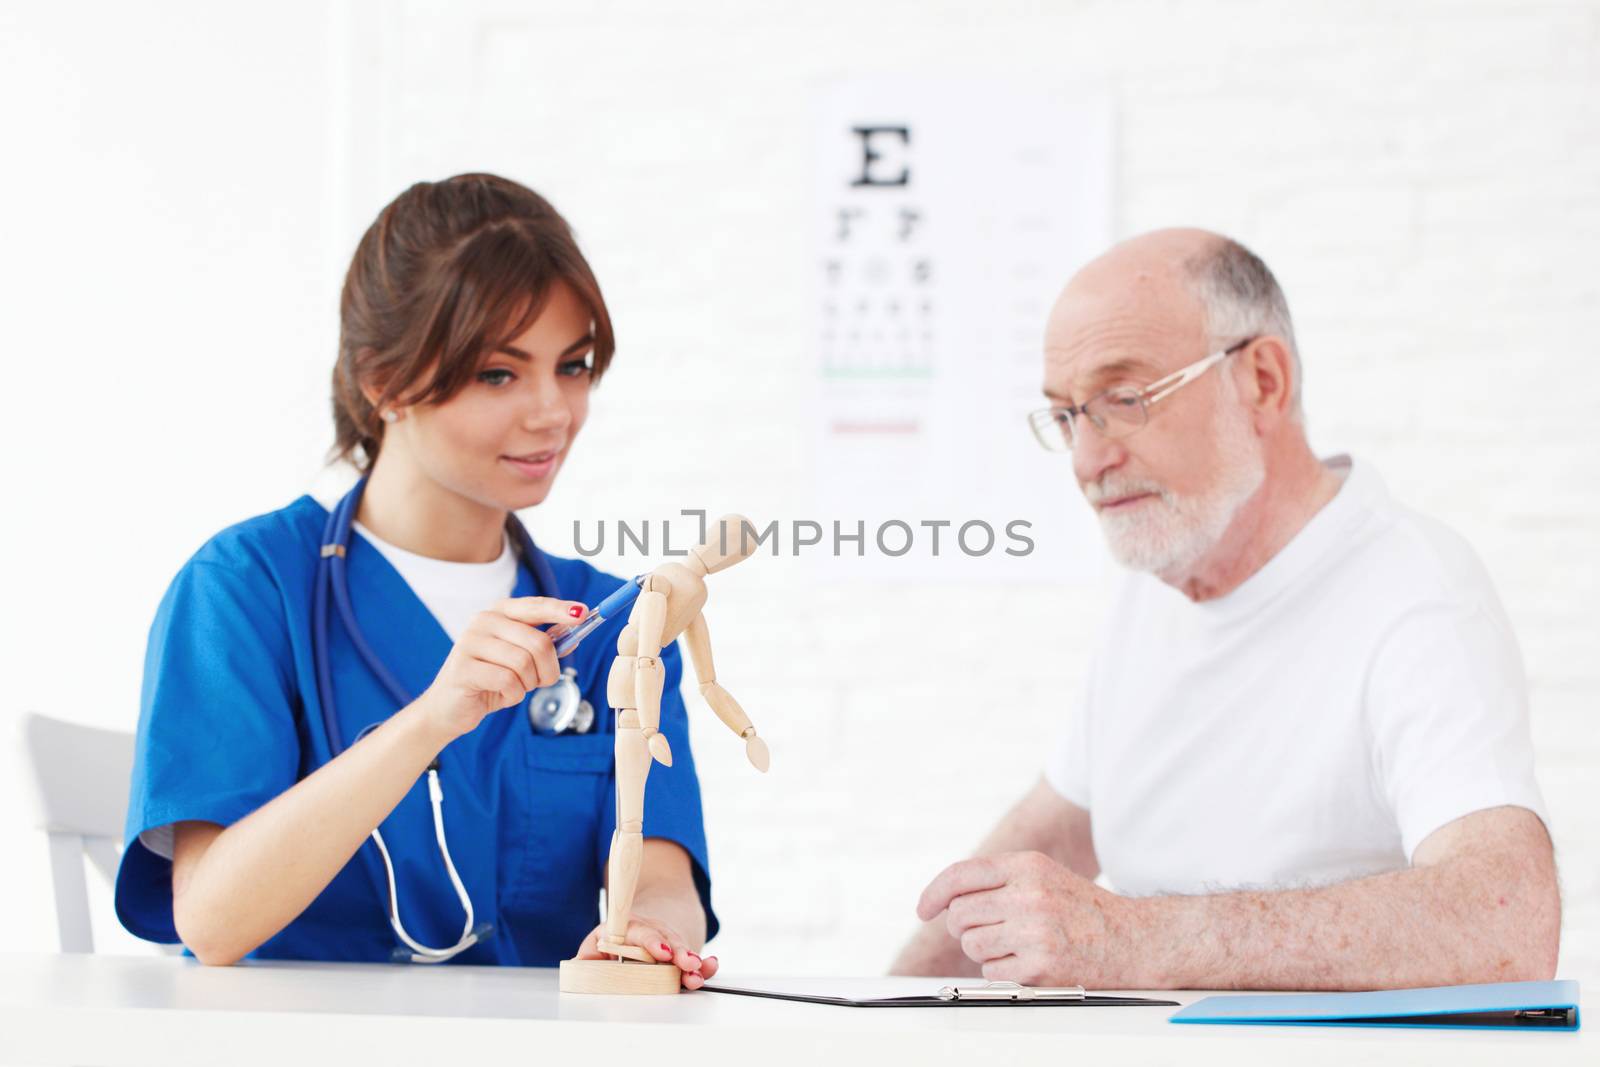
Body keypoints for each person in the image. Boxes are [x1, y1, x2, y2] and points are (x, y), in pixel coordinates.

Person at [891, 228, 1559, 990]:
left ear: (1263, 382)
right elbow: (1052, 835)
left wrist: (1129, 937)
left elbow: (1506, 924)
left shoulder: (1417, 591)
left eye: (1124, 398)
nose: (1086, 460)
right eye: (1070, 416)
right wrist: (866, 1014)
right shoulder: (1159, 583)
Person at [115, 173, 720, 987]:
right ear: (382, 381)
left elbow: (660, 876)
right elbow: (212, 922)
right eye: (499, 374)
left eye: (573, 366)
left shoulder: (618, 619)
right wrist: (432, 719)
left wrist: (647, 932)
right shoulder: (248, 588)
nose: (553, 412)